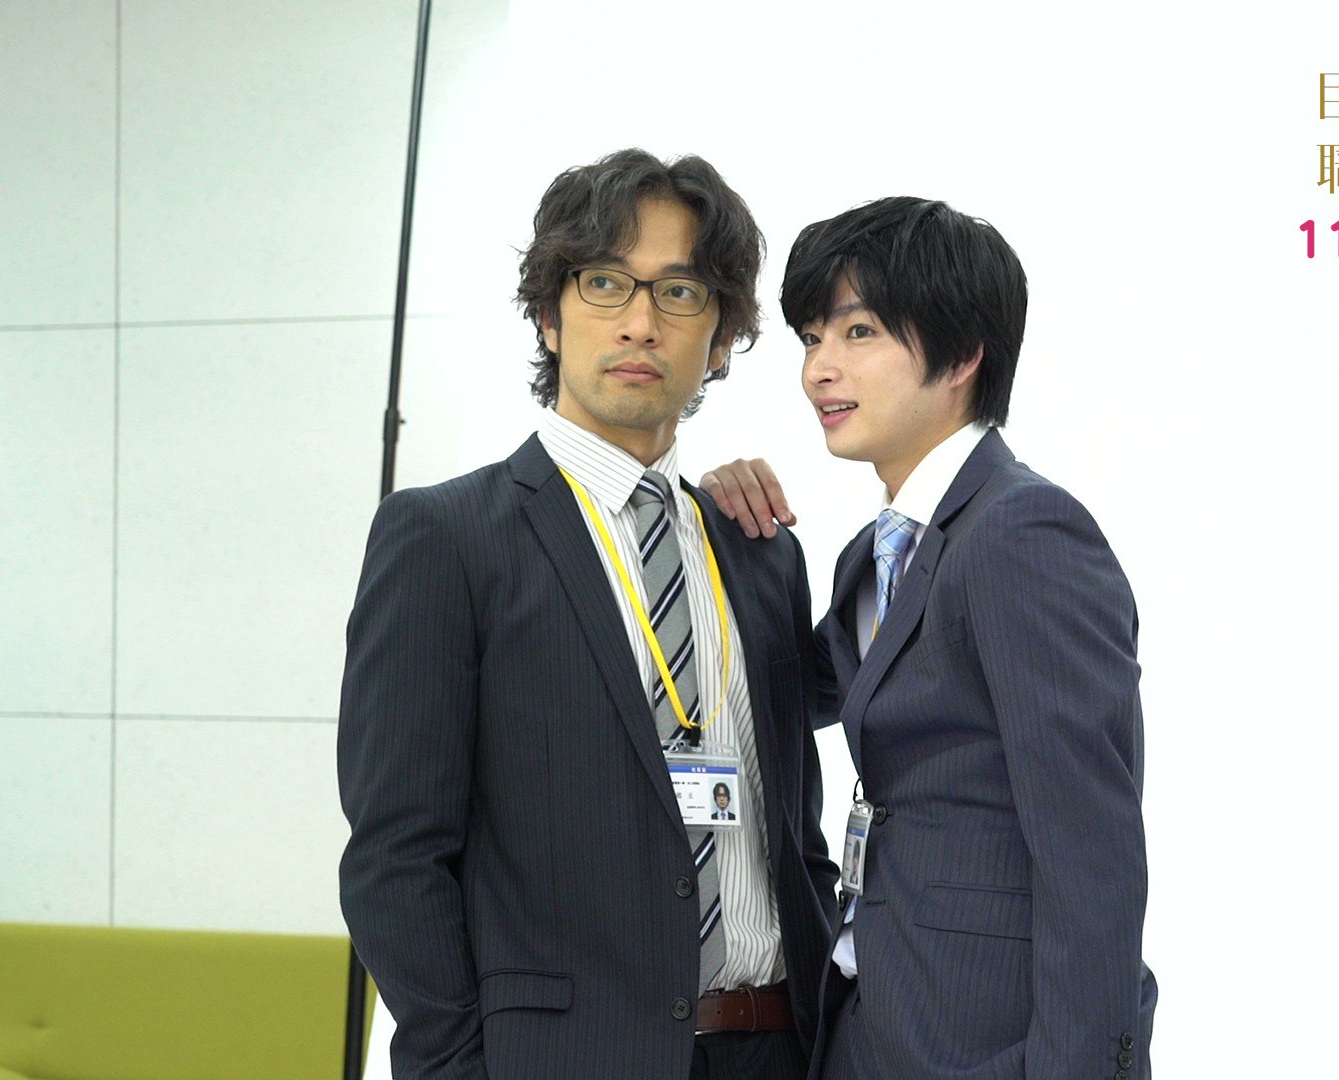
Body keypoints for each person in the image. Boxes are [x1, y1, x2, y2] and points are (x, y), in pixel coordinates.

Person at [338, 149, 840, 1080]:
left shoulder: (761, 552)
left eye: (680, 293)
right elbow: (395, 861)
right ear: (549, 315)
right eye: (605, 283)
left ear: (722, 339)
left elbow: (795, 832)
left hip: (776, 1047)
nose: (641, 322)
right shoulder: (447, 538)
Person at [702, 197, 1156, 1078]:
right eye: (811, 339)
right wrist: (717, 519)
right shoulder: (875, 556)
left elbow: (1093, 856)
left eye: (858, 332)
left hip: (984, 1042)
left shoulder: (1023, 532)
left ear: (963, 354)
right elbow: (776, 694)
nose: (819, 369)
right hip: (871, 1022)